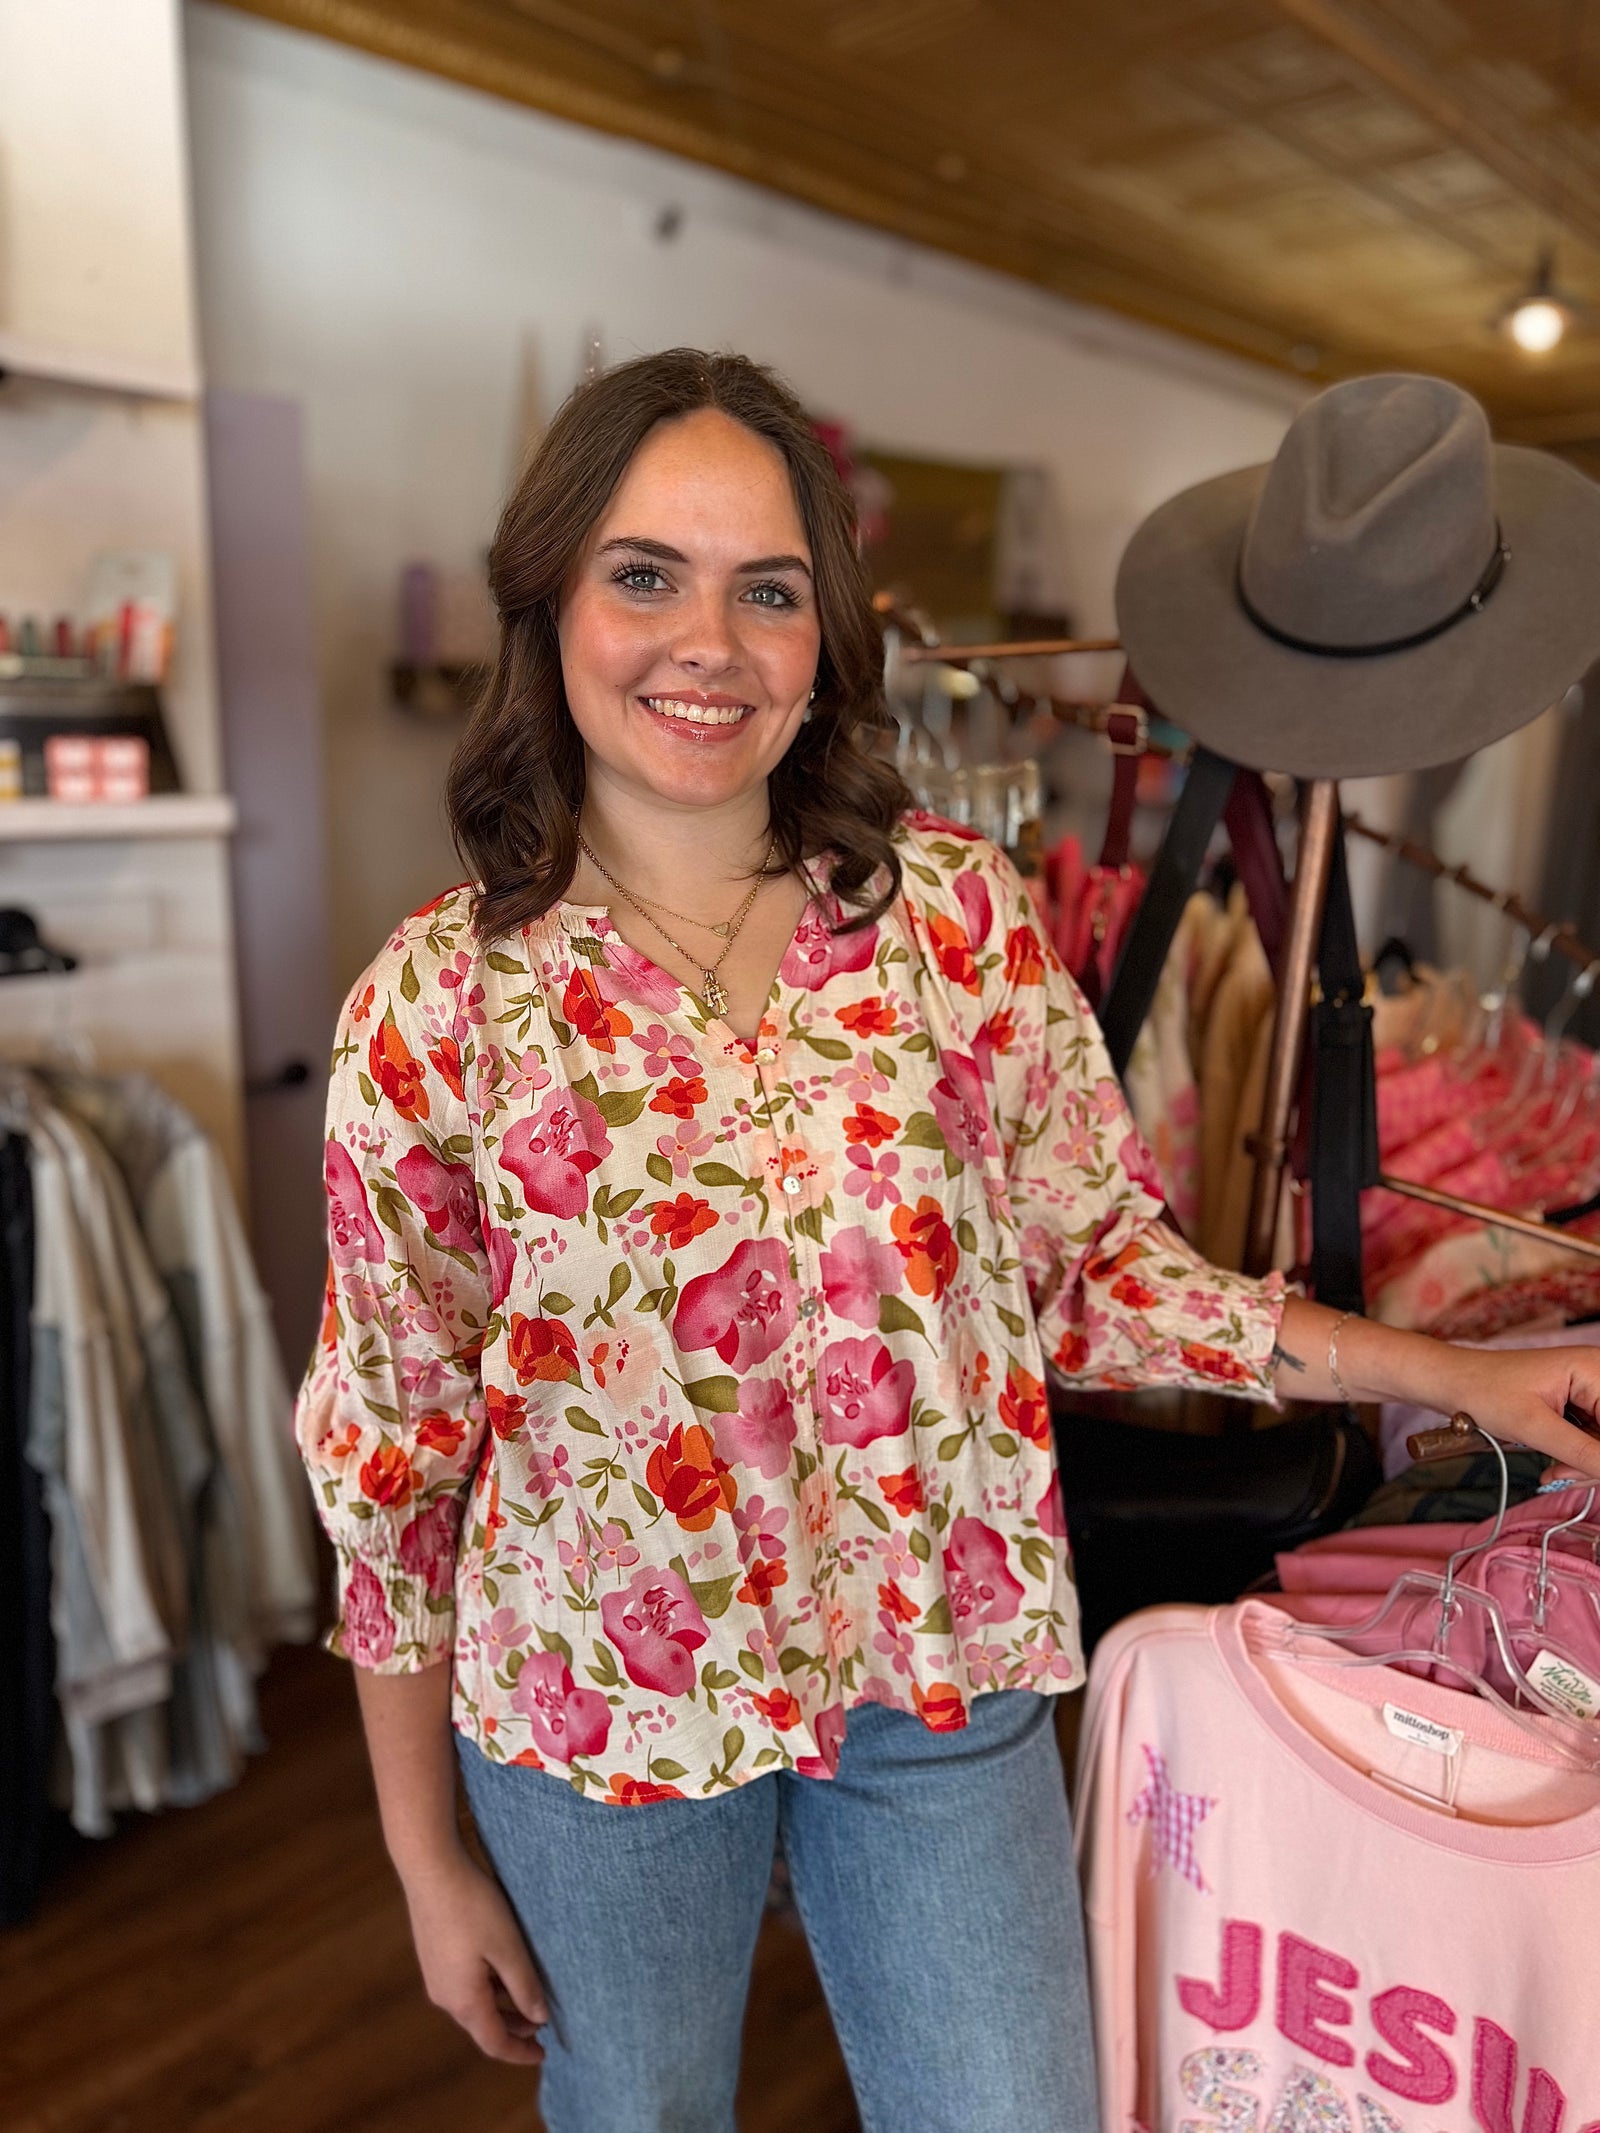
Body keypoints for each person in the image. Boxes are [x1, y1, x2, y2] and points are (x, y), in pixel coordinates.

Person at [295, 348, 1600, 2133]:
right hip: (598, 1710)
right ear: (550, 601)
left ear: (825, 635)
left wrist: (1462, 1374)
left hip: (939, 1657)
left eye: (769, 590)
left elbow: (1101, 1270)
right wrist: (419, 1850)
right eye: (645, 574)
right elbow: (394, 1451)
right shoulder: (435, 1007)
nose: (712, 641)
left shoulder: (955, 927)